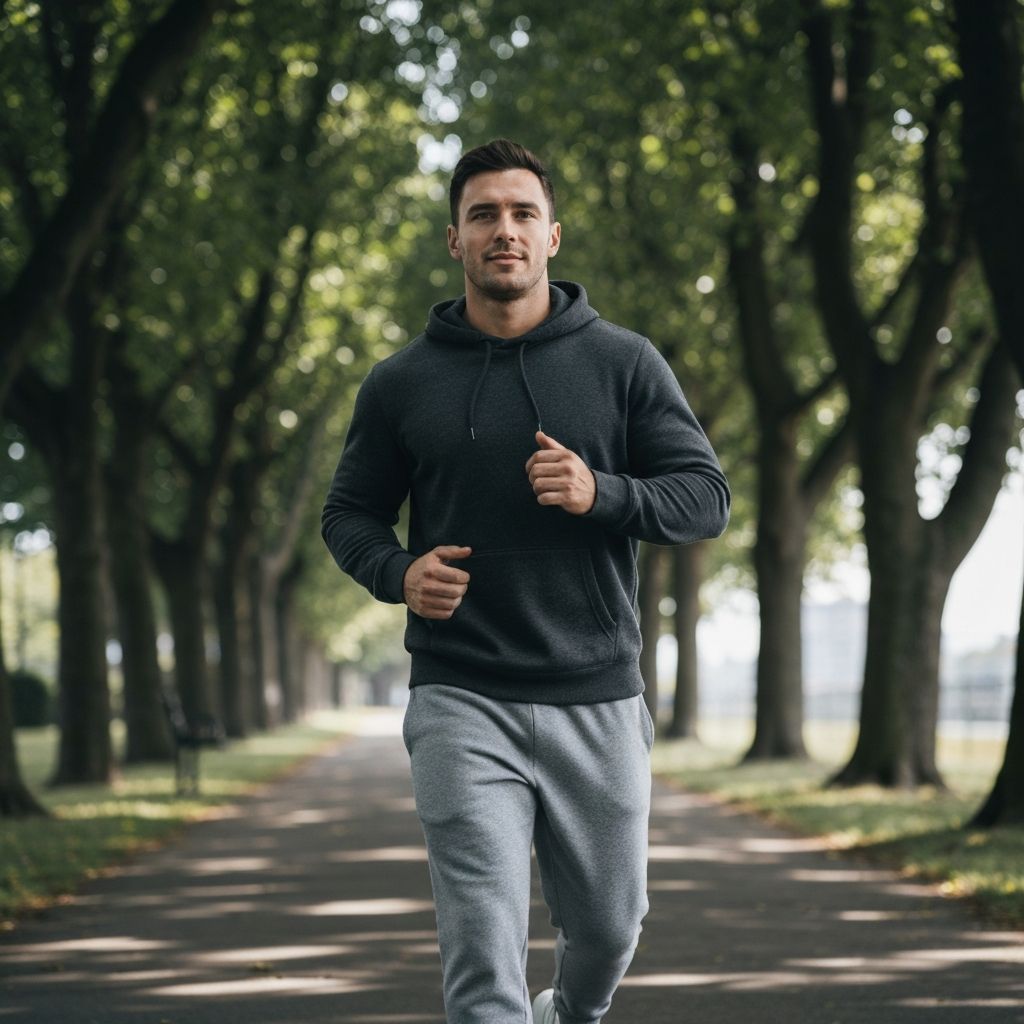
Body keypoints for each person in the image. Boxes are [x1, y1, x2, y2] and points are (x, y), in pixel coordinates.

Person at [321, 139, 730, 1024]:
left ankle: (569, 1016)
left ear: (551, 237)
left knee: (612, 929)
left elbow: (706, 498)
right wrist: (398, 571)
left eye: (521, 214)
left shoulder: (624, 363)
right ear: (454, 241)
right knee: (481, 950)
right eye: (483, 215)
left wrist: (603, 492)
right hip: (461, 695)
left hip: (598, 694)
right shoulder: (400, 384)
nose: (503, 230)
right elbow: (347, 514)